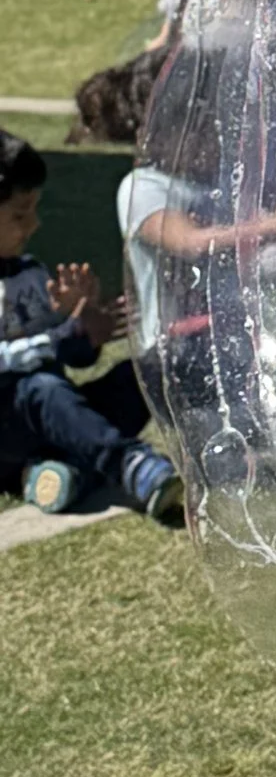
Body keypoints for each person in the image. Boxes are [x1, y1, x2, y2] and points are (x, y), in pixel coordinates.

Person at [0, 129, 184, 523]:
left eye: (35, 208)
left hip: (50, 417)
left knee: (139, 375)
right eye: (20, 214)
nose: (33, 225)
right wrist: (64, 332)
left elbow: (73, 360)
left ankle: (62, 472)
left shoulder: (29, 273)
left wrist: (81, 324)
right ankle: (128, 465)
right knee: (41, 389)